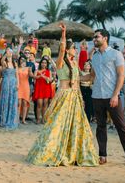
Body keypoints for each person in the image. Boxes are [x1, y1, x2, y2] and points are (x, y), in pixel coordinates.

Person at [27, 22, 98, 166]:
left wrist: (93, 70)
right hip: (64, 96)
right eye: (74, 49)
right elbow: (61, 49)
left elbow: (82, 78)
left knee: (76, 126)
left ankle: (72, 152)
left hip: (75, 98)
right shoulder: (60, 63)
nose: (76, 51)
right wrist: (64, 35)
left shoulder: (74, 63)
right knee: (58, 125)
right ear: (67, 50)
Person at [91, 29, 125, 167]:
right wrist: (74, 77)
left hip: (112, 96)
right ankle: (102, 155)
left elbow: (121, 75)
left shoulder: (116, 54)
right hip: (97, 95)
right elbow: (92, 76)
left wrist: (115, 95)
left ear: (105, 38)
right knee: (100, 126)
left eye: (97, 37)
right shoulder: (95, 56)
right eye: (94, 37)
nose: (94, 39)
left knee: (121, 126)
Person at [0, 48, 19, 129]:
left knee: (12, 100)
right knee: (6, 99)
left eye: (10, 52)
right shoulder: (4, 62)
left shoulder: (15, 63)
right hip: (6, 82)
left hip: (13, 82)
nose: (9, 53)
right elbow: (2, 60)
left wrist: (18, 84)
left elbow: (17, 75)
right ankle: (4, 119)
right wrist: (5, 54)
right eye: (8, 52)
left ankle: (11, 119)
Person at [32, 57, 52, 124]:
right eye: (43, 63)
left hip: (46, 88)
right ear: (40, 63)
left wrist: (45, 77)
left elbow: (50, 80)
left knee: (45, 104)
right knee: (39, 104)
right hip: (39, 88)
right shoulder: (37, 71)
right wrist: (40, 76)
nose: (44, 64)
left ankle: (43, 118)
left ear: (47, 64)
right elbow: (34, 77)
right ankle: (38, 119)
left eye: (45, 63)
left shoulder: (49, 71)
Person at [17, 56, 34, 124]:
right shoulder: (17, 68)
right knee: (18, 103)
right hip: (19, 86)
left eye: (23, 60)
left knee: (25, 103)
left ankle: (23, 119)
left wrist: (30, 71)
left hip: (26, 86)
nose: (22, 61)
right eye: (21, 60)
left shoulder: (28, 68)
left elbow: (31, 76)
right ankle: (17, 119)